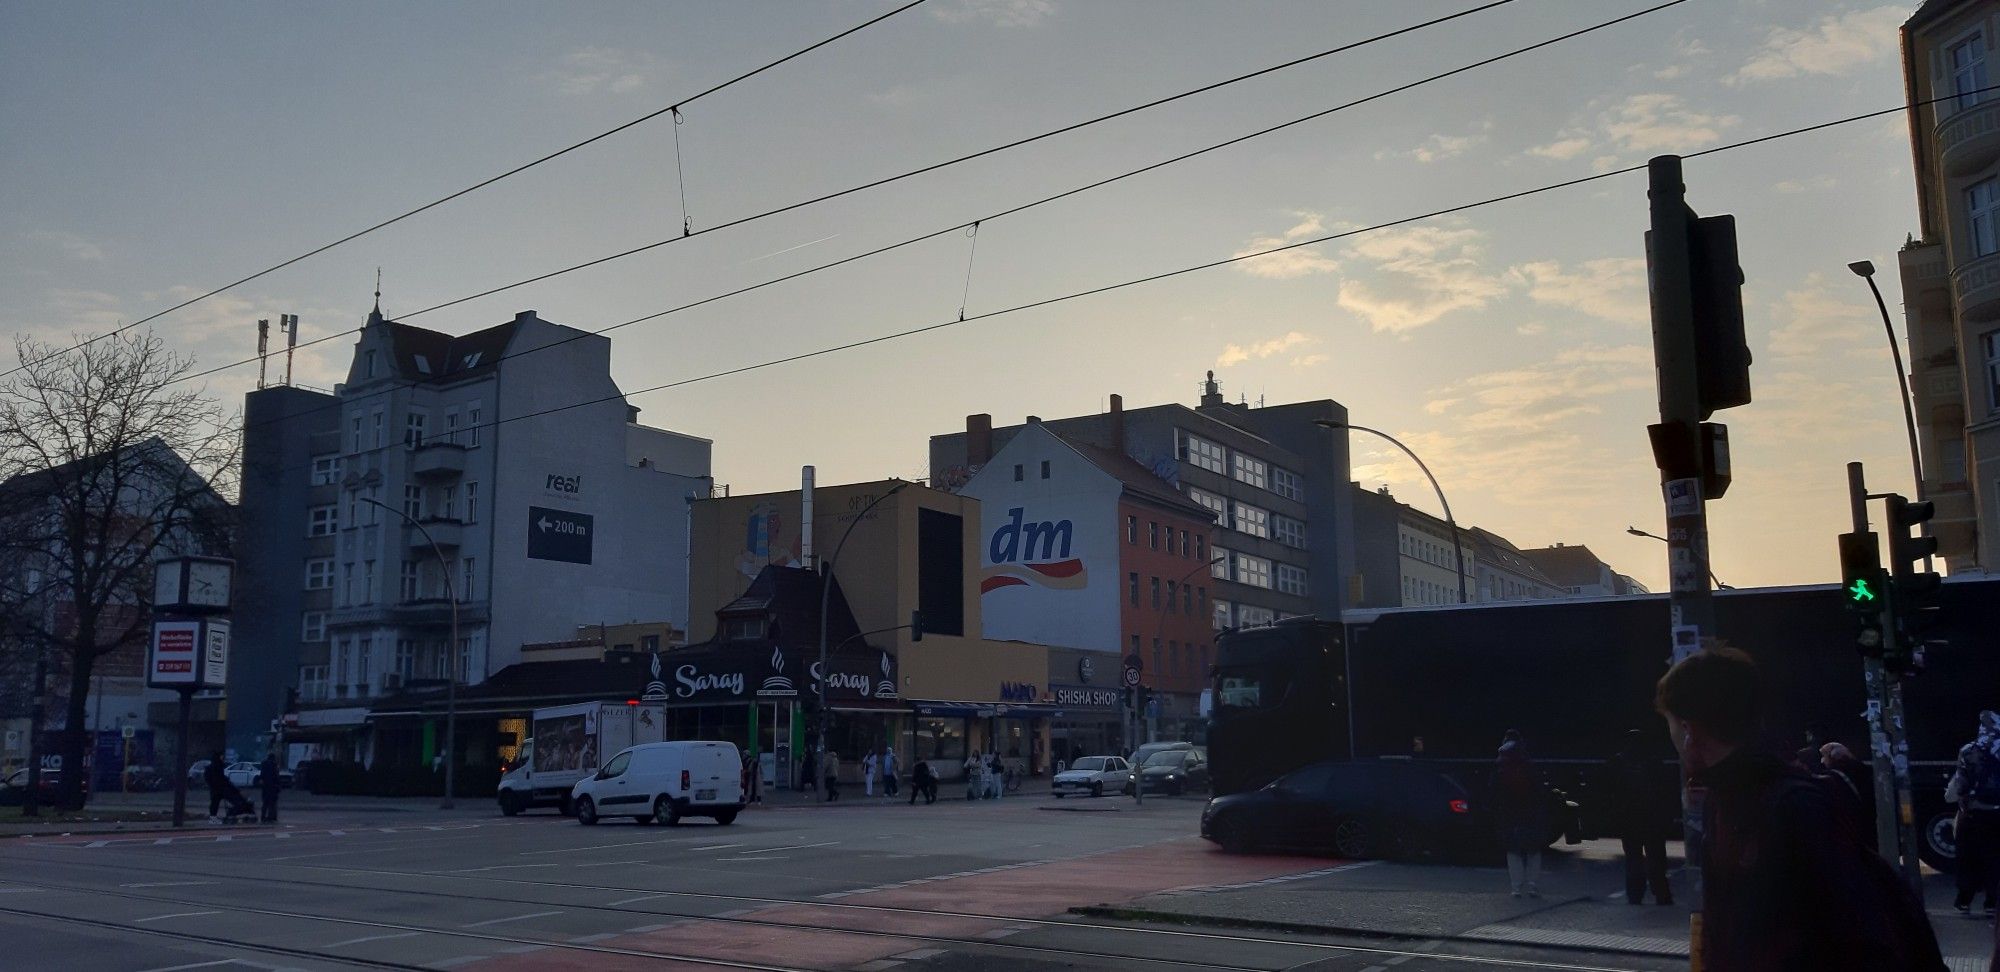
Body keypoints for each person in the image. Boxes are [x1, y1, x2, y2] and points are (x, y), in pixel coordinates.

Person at [1655, 646, 1946, 971]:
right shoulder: (1728, 800)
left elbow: (1863, 940)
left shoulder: (1791, 808)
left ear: (1689, 729)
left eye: (1671, 726)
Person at [1606, 729, 1672, 905]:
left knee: (1633, 857)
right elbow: (1665, 790)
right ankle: (1661, 893)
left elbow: (1611, 789)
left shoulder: (1619, 761)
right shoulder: (1654, 761)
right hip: (1653, 816)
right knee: (1656, 856)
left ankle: (1635, 894)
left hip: (1628, 817)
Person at [1946, 710, 2000, 916]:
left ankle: (1964, 901)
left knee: (1968, 857)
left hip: (1973, 814)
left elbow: (1961, 783)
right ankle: (1992, 902)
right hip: (1997, 814)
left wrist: (1961, 800)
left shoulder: (1968, 750)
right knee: (1995, 857)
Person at [1493, 729, 1548, 898]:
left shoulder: (1501, 762)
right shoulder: (1526, 761)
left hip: (1509, 811)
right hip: (1530, 810)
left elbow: (1494, 787)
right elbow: (1539, 787)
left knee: (1513, 851)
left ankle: (1516, 887)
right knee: (1533, 849)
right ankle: (1533, 885)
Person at [1819, 741, 1877, 853]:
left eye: (1824, 756)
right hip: (1870, 824)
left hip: (1853, 829)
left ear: (1833, 757)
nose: (1822, 761)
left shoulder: (1834, 778)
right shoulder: (1865, 771)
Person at [258, 753, 282, 823]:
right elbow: (276, 776)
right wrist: (278, 786)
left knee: (265, 803)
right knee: (272, 804)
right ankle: (271, 817)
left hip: (265, 787)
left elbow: (262, 775)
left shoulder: (264, 765)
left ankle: (263, 817)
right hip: (273, 787)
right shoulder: (274, 765)